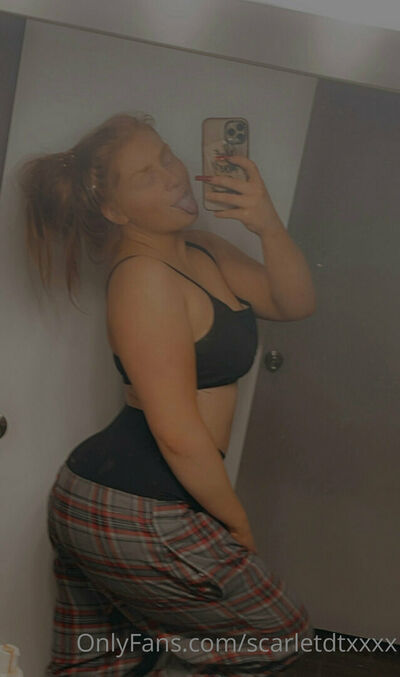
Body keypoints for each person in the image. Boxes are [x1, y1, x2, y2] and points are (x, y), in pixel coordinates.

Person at [20, 112, 316, 676]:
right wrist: (237, 525)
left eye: (166, 156)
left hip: (114, 500)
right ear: (115, 211)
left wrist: (267, 224)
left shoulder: (202, 249)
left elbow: (294, 302)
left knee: (103, 665)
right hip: (131, 508)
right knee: (279, 633)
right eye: (146, 175)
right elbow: (177, 433)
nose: (173, 174)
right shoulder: (143, 278)